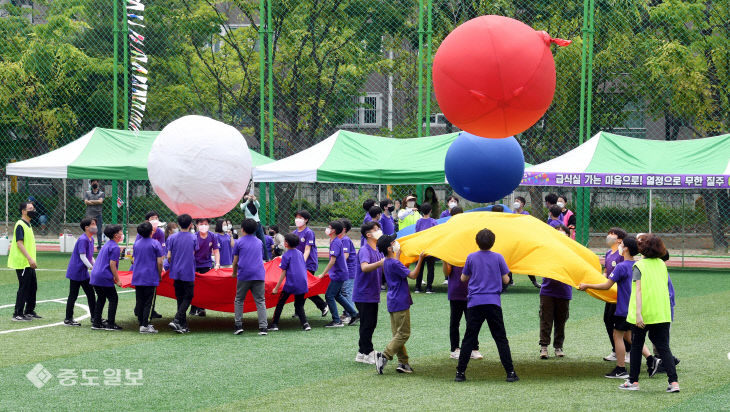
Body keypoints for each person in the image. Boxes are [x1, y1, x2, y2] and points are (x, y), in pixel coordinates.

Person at [579, 236, 657, 379]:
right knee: (629, 335)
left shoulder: (621, 266)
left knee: (618, 335)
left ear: (626, 248)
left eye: (621, 244)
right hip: (635, 307)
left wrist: (587, 285)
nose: (619, 246)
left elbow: (607, 285)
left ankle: (621, 368)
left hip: (623, 308)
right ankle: (651, 359)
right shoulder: (638, 265)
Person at [454, 228, 518, 383]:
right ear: (493, 242)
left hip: (475, 303)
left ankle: (460, 373)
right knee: (500, 338)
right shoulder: (498, 258)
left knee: (469, 338)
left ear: (476, 242)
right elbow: (505, 280)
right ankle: (510, 372)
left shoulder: (471, 257)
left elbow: (463, 278)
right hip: (493, 302)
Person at [619, 234, 679, 393]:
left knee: (637, 346)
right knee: (664, 347)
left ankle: (633, 381)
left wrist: (638, 314)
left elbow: (638, 291)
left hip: (644, 314)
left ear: (643, 248)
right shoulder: (662, 264)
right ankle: (674, 382)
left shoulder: (639, 266)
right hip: (661, 312)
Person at [373, 235, 424, 375]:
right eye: (393, 242)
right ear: (389, 248)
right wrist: (420, 259)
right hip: (401, 301)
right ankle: (384, 356)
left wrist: (398, 254)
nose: (396, 243)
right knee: (403, 334)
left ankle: (403, 363)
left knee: (397, 333)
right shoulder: (394, 263)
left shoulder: (386, 262)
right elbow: (413, 275)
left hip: (392, 301)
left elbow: (395, 264)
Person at [538, 225, 574, 359]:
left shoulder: (571, 251)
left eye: (563, 234)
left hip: (564, 291)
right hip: (547, 290)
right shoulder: (547, 250)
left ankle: (558, 346)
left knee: (561, 320)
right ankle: (544, 347)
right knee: (545, 319)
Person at [353, 221, 385, 364]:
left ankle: (361, 352)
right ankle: (367, 351)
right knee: (367, 323)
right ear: (368, 234)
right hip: (363, 294)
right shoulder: (365, 250)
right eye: (376, 229)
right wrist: (381, 263)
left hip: (372, 293)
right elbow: (365, 267)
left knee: (370, 323)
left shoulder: (377, 250)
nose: (379, 231)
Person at [319, 221, 360, 327]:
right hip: (340, 273)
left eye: (329, 227)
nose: (327, 229)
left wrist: (323, 273)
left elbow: (333, 261)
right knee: (337, 295)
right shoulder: (335, 241)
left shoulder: (336, 242)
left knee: (329, 295)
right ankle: (354, 314)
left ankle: (336, 321)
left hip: (339, 274)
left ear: (333, 231)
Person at [232, 218, 268, 335]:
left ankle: (238, 325)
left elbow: (235, 261)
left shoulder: (239, 242)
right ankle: (263, 327)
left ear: (242, 229)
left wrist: (234, 272)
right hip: (258, 274)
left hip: (244, 275)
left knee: (239, 300)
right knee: (260, 301)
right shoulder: (259, 242)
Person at [270, 233, 311, 331]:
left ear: (286, 244)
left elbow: (283, 272)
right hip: (302, 284)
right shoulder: (300, 253)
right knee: (299, 305)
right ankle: (305, 324)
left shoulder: (286, 255)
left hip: (291, 284)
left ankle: (275, 324)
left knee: (280, 303)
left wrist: (276, 288)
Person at [292, 210, 328, 316]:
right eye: (296, 217)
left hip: (308, 264)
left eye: (300, 218)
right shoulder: (294, 233)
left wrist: (301, 263)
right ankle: (299, 310)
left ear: (306, 220)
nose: (297, 220)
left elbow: (307, 249)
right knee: (300, 287)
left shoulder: (309, 232)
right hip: (297, 265)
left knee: (304, 287)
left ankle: (322, 305)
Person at [443, 261, 482, 360]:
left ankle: (474, 348)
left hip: (471, 292)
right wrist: (444, 261)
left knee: (472, 322)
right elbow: (447, 272)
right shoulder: (452, 255)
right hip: (456, 293)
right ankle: (455, 349)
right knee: (455, 322)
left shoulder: (472, 254)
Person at [9, 201, 40, 322]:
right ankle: (17, 313)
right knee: (24, 287)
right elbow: (19, 243)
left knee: (33, 286)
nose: (33, 211)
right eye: (30, 209)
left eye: (33, 208)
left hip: (28, 263)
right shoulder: (20, 224)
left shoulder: (28, 224)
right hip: (23, 262)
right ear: (23, 211)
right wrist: (29, 258)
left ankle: (29, 311)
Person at [167, 214, 198, 334]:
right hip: (188, 271)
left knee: (180, 298)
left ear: (178, 224)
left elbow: (168, 256)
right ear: (191, 225)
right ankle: (177, 319)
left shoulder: (172, 238)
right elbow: (194, 253)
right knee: (189, 296)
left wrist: (173, 263)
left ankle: (182, 324)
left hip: (175, 271)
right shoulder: (193, 237)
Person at [131, 211, 166, 319]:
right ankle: (143, 318)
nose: (155, 219)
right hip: (147, 269)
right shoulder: (142, 235)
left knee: (145, 294)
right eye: (152, 218)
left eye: (156, 217)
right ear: (147, 221)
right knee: (146, 293)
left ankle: (144, 315)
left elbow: (162, 252)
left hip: (146, 268)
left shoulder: (159, 232)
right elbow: (134, 256)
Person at [64, 217, 97, 326]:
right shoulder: (83, 239)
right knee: (73, 295)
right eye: (93, 224)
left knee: (91, 295)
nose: (95, 226)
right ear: (87, 227)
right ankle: (68, 319)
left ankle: (95, 317)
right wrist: (92, 267)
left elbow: (90, 256)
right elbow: (82, 256)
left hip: (83, 272)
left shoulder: (91, 239)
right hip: (76, 271)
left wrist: (96, 265)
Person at [89, 225, 123, 331]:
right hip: (103, 276)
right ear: (116, 235)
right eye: (121, 232)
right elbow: (112, 264)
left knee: (101, 298)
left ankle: (96, 322)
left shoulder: (107, 245)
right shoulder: (115, 247)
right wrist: (117, 279)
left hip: (95, 275)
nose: (122, 234)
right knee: (113, 298)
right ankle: (111, 324)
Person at [603, 227, 629, 362]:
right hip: (610, 294)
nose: (609, 236)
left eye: (612, 234)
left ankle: (628, 351)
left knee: (621, 324)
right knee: (607, 319)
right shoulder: (608, 253)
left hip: (620, 294)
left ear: (619, 239)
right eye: (608, 234)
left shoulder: (622, 254)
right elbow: (606, 270)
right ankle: (615, 349)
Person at [190, 217, 220, 317]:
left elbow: (216, 251)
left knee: (203, 287)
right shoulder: (194, 237)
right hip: (194, 264)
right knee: (193, 287)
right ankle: (193, 308)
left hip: (206, 264)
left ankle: (201, 308)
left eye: (206, 224)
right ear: (197, 225)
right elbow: (191, 253)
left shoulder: (213, 236)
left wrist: (217, 264)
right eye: (201, 224)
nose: (204, 226)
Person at [414, 202, 438, 294]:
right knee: (430, 268)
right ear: (431, 211)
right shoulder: (433, 221)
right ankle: (428, 287)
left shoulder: (419, 222)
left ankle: (417, 287)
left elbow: (416, 233)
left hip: (420, 248)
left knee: (419, 267)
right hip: (430, 248)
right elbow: (436, 233)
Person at [241, 192, 271, 260]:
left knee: (263, 242)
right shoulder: (243, 204)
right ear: (244, 197)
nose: (248, 196)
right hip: (250, 225)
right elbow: (242, 208)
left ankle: (267, 259)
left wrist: (255, 199)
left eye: (249, 195)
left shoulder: (254, 203)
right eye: (247, 195)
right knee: (253, 243)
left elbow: (258, 206)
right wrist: (248, 200)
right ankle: (253, 259)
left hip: (258, 224)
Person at [339, 219, 359, 323]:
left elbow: (345, 256)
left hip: (348, 271)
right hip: (343, 271)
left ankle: (352, 314)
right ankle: (347, 312)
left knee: (346, 292)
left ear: (343, 229)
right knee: (343, 292)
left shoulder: (345, 240)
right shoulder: (339, 239)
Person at [84, 180, 105, 247]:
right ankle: (88, 245)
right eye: (93, 182)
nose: (94, 183)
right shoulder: (87, 193)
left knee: (99, 231)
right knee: (89, 231)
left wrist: (90, 201)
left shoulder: (101, 193)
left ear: (98, 183)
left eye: (95, 182)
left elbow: (100, 202)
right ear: (91, 183)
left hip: (98, 215)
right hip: (89, 215)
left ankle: (99, 245)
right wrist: (96, 201)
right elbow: (86, 202)